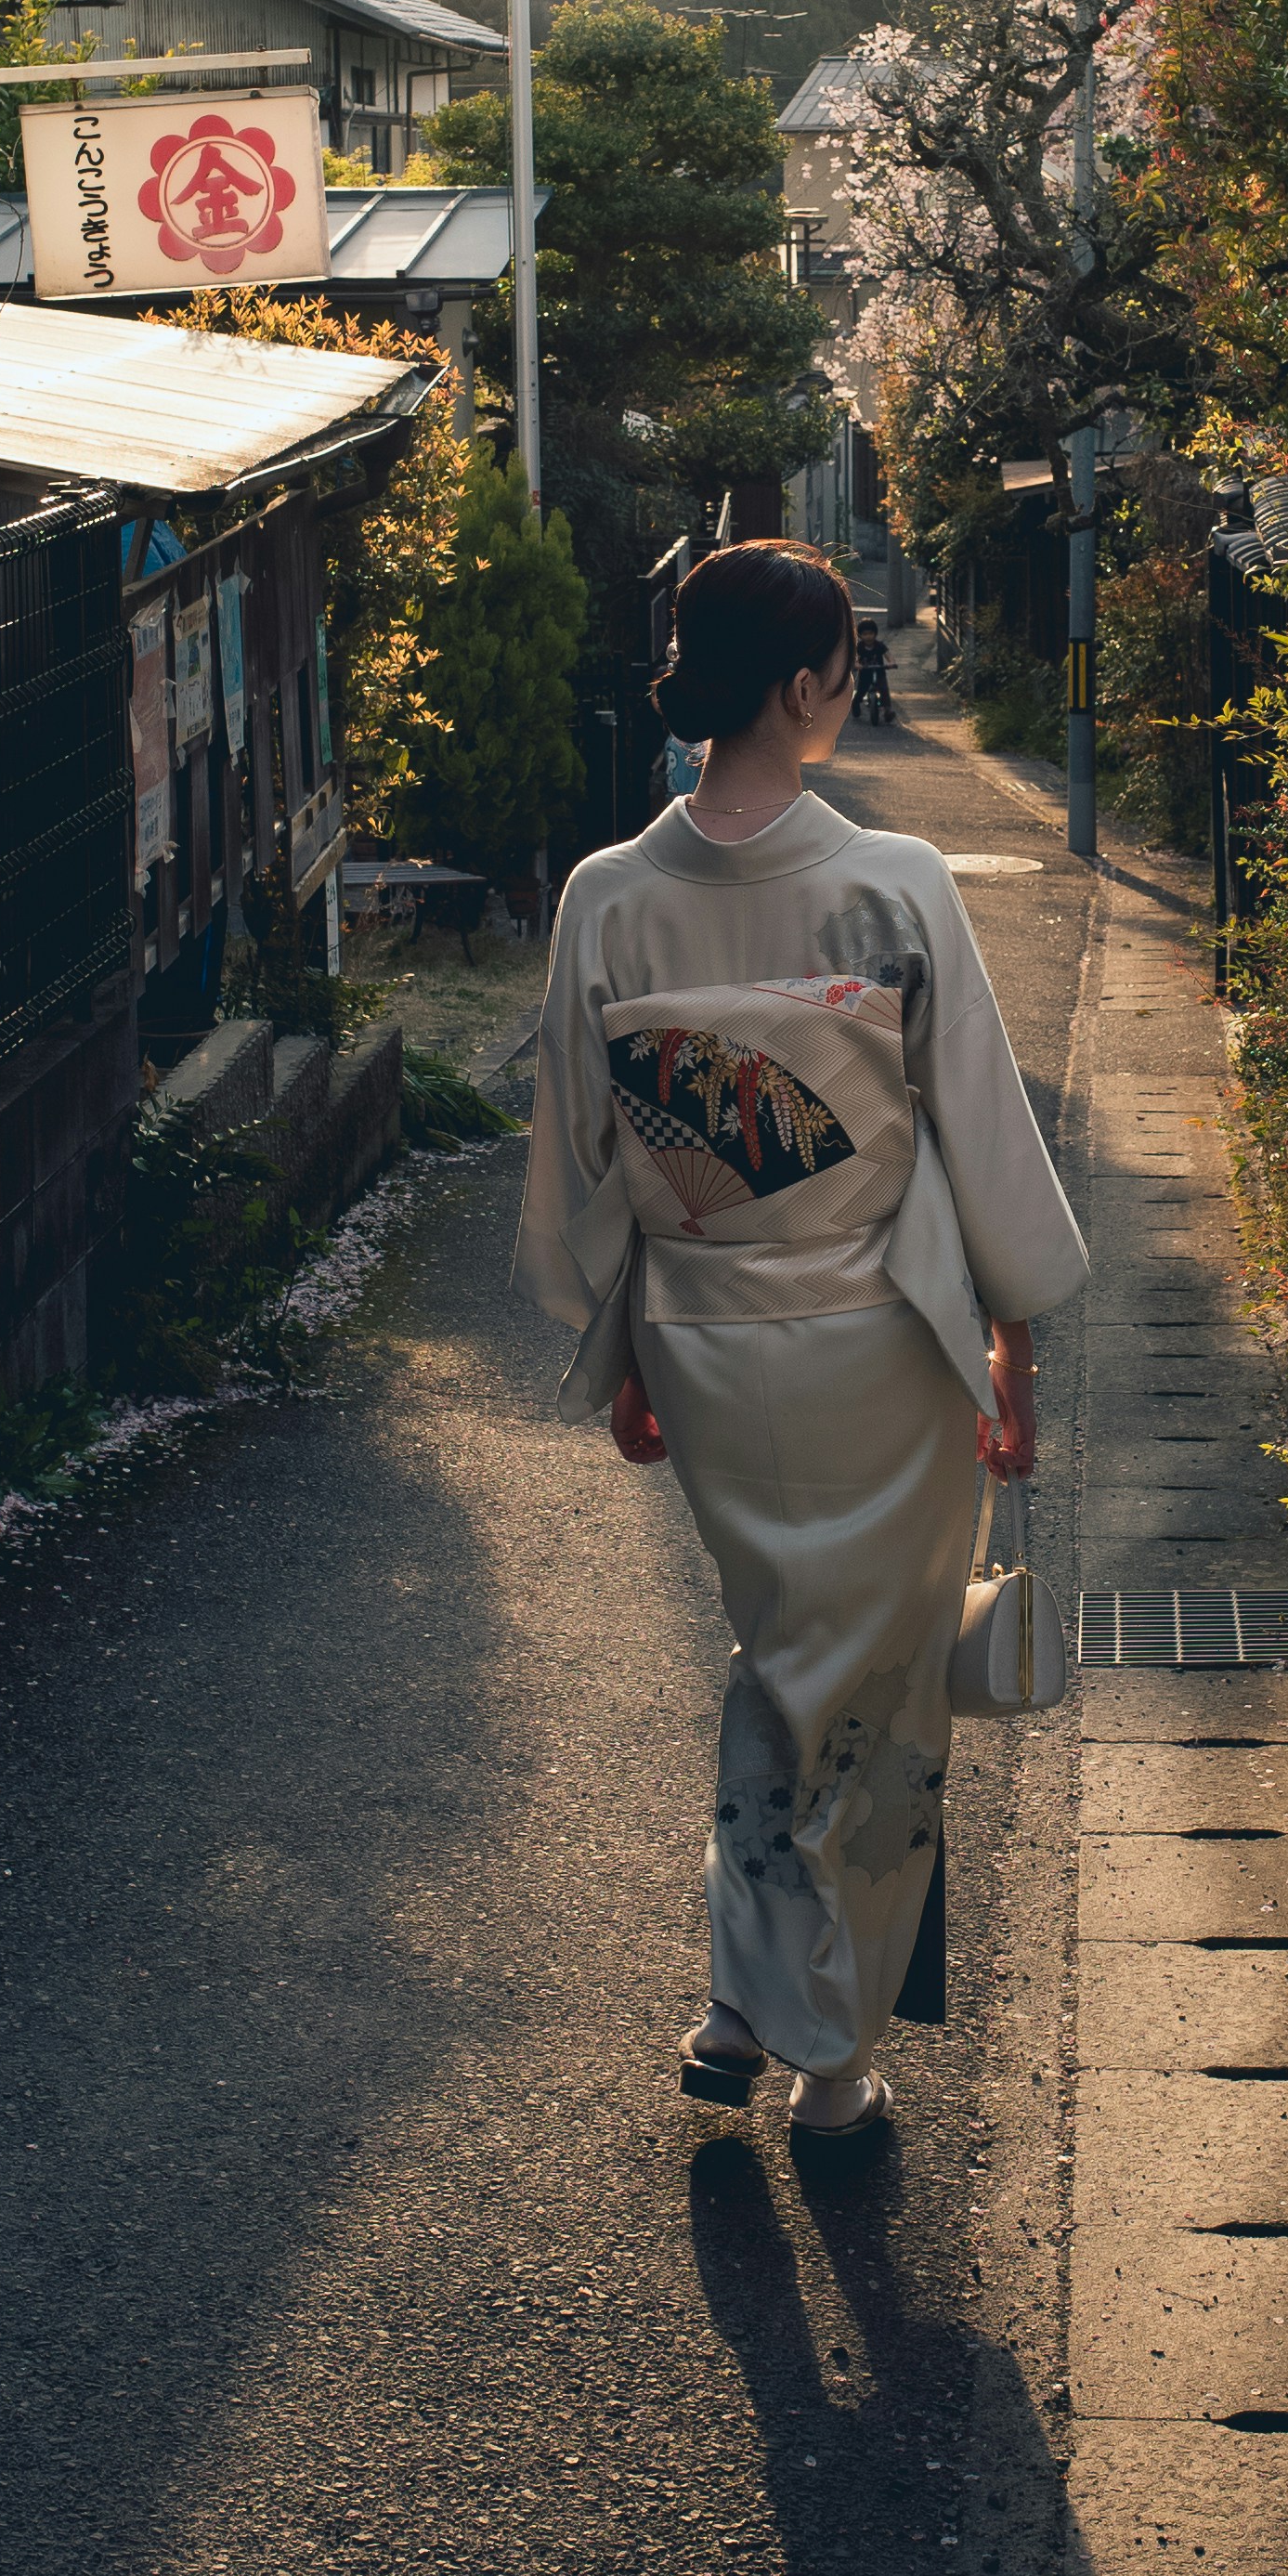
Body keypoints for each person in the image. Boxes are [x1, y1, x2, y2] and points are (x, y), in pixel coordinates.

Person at [518, 538, 1088, 2147]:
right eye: (840, 669)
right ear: (796, 685)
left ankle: (734, 1995)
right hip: (880, 1344)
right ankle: (828, 2058)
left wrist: (632, 1347)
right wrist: (1012, 1350)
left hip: (708, 1341)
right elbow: (973, 1127)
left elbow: (590, 1163)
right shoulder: (889, 887)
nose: (849, 692)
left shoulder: (605, 899)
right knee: (880, 1685)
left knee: (782, 1650)